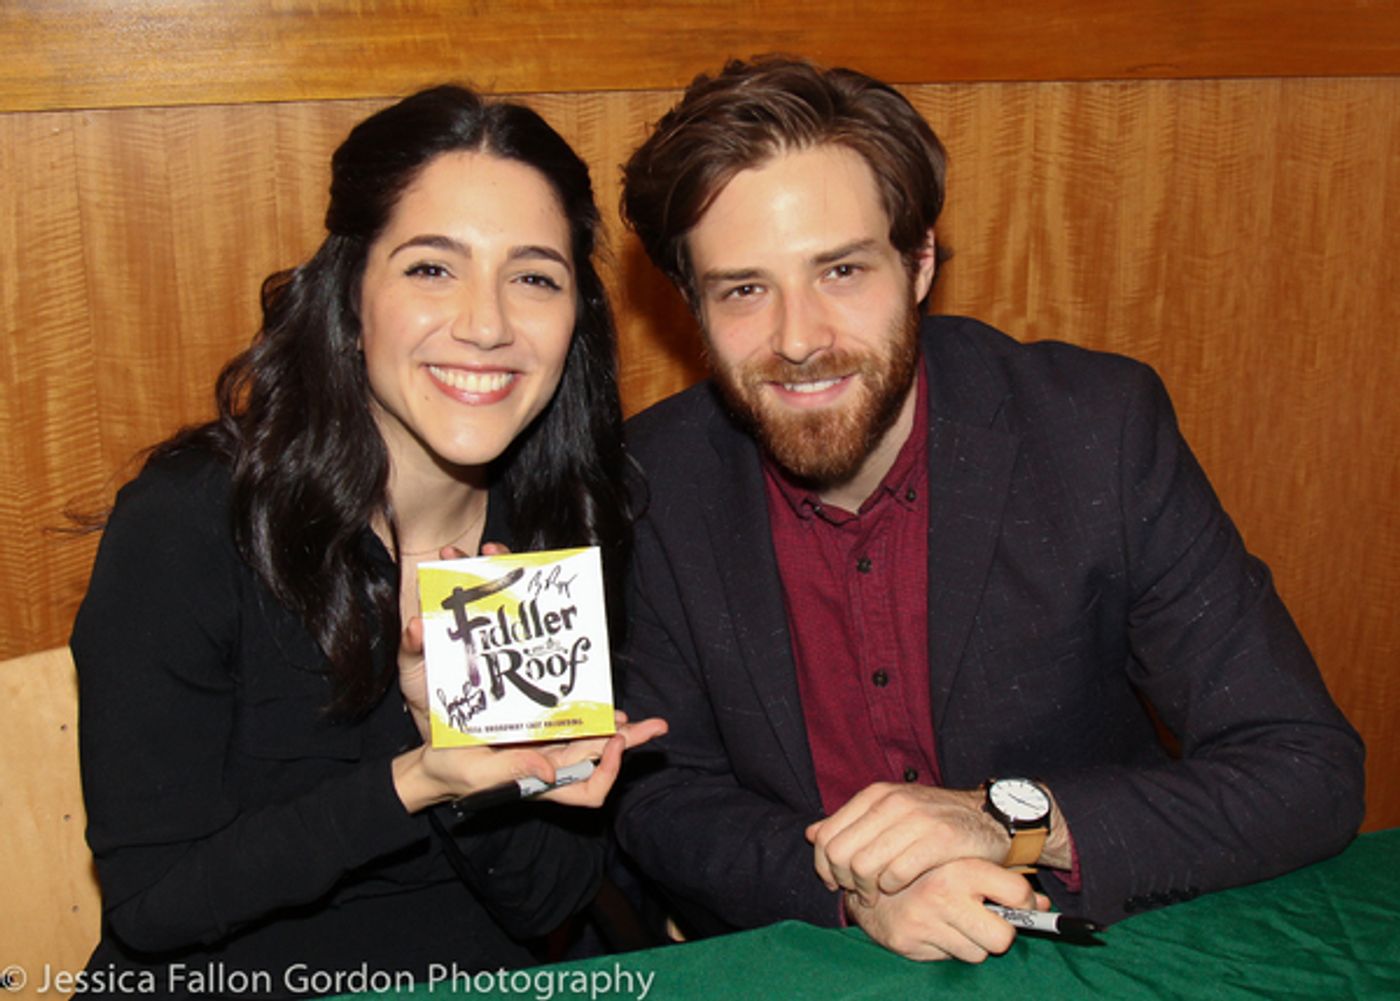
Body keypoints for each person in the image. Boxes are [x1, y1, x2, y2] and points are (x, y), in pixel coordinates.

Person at [611, 56, 1364, 963]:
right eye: (743, 288)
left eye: (842, 270)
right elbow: (661, 794)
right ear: (692, 302)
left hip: (1082, 954)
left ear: (919, 260)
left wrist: (1006, 817)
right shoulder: (650, 479)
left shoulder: (1097, 428)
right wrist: (853, 888)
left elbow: (1304, 766)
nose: (798, 338)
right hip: (812, 957)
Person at [70, 84, 665, 996]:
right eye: (432, 267)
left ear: (575, 319)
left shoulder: (557, 525)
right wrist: (417, 778)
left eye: (535, 275)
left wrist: (486, 764)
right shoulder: (192, 522)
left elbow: (549, 901)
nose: (486, 323)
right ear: (351, 298)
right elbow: (155, 905)